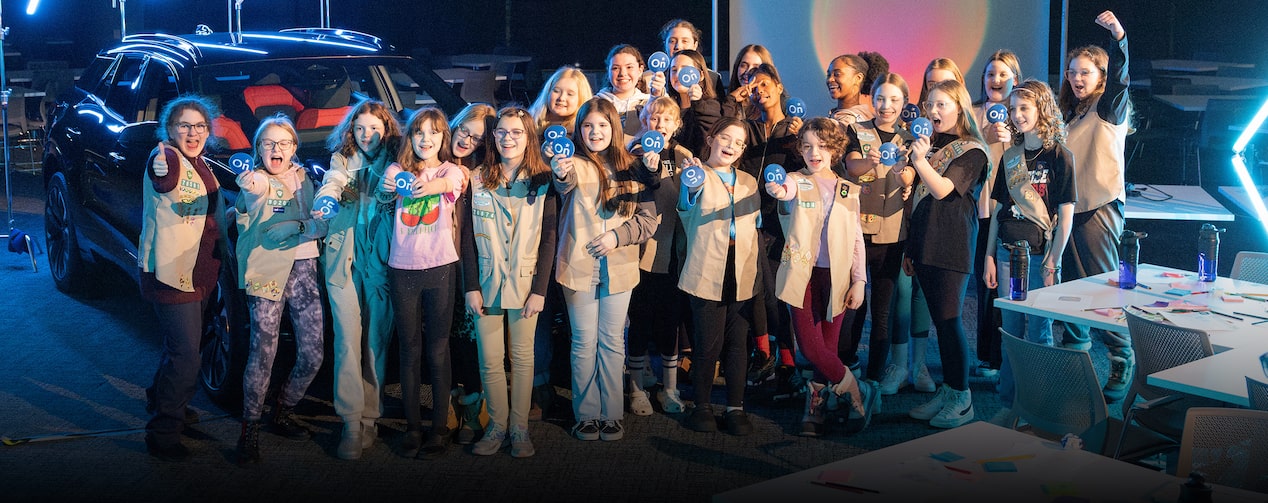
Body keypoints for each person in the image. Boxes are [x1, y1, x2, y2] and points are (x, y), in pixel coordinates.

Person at [551, 98, 657, 441]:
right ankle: (586, 414)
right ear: (578, 130)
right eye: (587, 126)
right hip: (579, 266)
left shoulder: (635, 167)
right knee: (583, 342)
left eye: (602, 125)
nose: (595, 132)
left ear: (614, 127)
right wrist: (559, 169)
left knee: (612, 342)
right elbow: (563, 181)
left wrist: (617, 236)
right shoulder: (574, 164)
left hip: (621, 267)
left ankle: (611, 414)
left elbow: (648, 221)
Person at [765, 117, 877, 436]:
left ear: (835, 150)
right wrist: (776, 188)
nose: (815, 152)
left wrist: (859, 280)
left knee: (826, 351)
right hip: (802, 275)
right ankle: (857, 390)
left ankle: (815, 409)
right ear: (800, 150)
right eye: (807, 146)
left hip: (838, 278)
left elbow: (856, 238)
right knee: (811, 349)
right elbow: (784, 192)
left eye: (823, 146)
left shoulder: (846, 188)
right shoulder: (795, 179)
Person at [462, 105, 558, 458]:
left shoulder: (544, 179)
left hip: (526, 284)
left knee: (522, 358)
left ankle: (519, 427)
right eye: (501, 131)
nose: (508, 138)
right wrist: (470, 285)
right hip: (485, 283)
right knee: (489, 359)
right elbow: (467, 239)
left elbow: (550, 238)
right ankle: (496, 425)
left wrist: (540, 291)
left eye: (516, 132)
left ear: (529, 137)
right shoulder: (477, 177)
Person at [233, 116, 327, 464]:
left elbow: (323, 222)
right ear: (258, 149)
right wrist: (249, 185)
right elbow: (253, 190)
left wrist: (299, 225)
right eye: (268, 143)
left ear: (294, 148)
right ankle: (250, 426)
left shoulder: (306, 179)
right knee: (263, 352)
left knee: (314, 353)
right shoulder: (254, 179)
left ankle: (284, 407)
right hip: (267, 272)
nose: (276, 149)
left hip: (304, 268)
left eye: (284, 143)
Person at [982, 79, 1076, 425]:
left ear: (1042, 110)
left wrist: (1053, 261)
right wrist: (989, 256)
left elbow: (1065, 216)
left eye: (1024, 108)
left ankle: (1039, 405)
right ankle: (1009, 403)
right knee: (1010, 330)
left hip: (1041, 258)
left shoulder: (1060, 156)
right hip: (1007, 255)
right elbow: (997, 212)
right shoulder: (1010, 157)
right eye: (1013, 109)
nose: (1017, 115)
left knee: (1038, 332)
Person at [140, 95, 228, 461]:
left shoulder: (200, 161)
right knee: (187, 356)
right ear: (169, 130)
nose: (192, 132)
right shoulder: (169, 159)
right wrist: (161, 166)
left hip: (200, 273)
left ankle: (162, 399)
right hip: (173, 274)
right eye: (184, 126)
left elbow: (204, 211)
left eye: (199, 126)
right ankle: (163, 433)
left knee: (178, 348)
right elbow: (164, 179)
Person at [312, 99, 402, 460]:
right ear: (351, 130)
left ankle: (370, 417)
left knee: (375, 342)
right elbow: (332, 184)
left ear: (387, 130)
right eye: (360, 128)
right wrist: (326, 199)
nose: (367, 135)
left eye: (374, 128)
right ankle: (351, 422)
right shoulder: (341, 160)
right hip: (343, 262)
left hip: (381, 263)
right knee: (348, 340)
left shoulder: (397, 162)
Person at [377, 107, 466, 458]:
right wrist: (387, 186)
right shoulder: (397, 170)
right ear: (409, 139)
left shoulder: (450, 170)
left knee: (437, 349)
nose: (426, 139)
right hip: (402, 269)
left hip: (440, 267)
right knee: (409, 349)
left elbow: (452, 183)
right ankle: (414, 427)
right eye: (419, 133)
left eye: (433, 132)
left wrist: (430, 184)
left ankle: (439, 428)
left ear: (444, 138)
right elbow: (386, 190)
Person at [1057, 10, 1135, 401]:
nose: (1077, 77)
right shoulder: (1072, 112)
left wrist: (1118, 36)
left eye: (1085, 71)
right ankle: (1075, 359)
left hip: (1100, 207)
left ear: (1101, 76)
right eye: (1072, 71)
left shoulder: (1109, 106)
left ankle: (1122, 356)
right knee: (1073, 288)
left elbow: (1122, 75)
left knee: (1104, 288)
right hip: (1070, 209)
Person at [904, 79, 989, 429]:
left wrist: (920, 161)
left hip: (951, 243)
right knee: (940, 321)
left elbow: (942, 190)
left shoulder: (973, 151)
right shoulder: (933, 146)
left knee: (951, 320)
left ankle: (963, 396)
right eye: (930, 105)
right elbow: (917, 197)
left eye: (942, 104)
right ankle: (949, 388)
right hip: (924, 241)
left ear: (959, 107)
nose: (934, 111)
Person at [678, 118, 761, 436]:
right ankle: (702, 406)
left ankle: (735, 408)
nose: (731, 145)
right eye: (725, 137)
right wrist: (692, 184)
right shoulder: (696, 174)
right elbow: (685, 208)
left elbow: (754, 226)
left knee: (738, 344)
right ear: (711, 139)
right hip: (706, 270)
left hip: (741, 272)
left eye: (738, 143)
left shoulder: (748, 181)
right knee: (706, 344)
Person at [725, 63, 802, 394]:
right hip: (746, 221)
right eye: (753, 85)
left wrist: (798, 142)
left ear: (779, 86)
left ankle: (788, 360)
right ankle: (765, 353)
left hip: (779, 224)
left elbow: (808, 171)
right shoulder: (749, 128)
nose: (759, 90)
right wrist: (736, 105)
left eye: (765, 83)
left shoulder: (794, 129)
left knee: (774, 297)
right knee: (751, 291)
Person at [840, 74, 917, 392]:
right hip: (855, 230)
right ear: (872, 99)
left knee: (882, 308)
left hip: (891, 232)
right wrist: (868, 162)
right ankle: (845, 367)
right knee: (851, 303)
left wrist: (904, 173)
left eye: (894, 100)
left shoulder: (909, 138)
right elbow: (850, 167)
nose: (887, 106)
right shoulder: (856, 131)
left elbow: (910, 178)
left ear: (903, 103)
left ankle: (873, 378)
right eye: (881, 98)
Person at [626, 96, 695, 415]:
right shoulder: (633, 154)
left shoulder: (684, 157)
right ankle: (636, 389)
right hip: (640, 254)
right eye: (653, 118)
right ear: (644, 122)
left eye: (667, 119)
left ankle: (670, 389)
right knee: (639, 324)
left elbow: (692, 203)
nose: (659, 124)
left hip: (674, 254)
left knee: (670, 324)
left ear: (676, 125)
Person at [446, 102, 497, 445]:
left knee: (468, 335)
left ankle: (473, 403)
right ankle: (448, 401)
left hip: (467, 258)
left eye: (477, 139)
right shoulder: (430, 156)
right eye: (464, 130)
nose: (466, 140)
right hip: (430, 259)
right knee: (440, 335)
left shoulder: (482, 172)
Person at [971, 50, 1023, 380]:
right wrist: (985, 138)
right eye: (991, 74)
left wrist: (1012, 139)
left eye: (1003, 74)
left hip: (1013, 212)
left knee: (1009, 285)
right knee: (985, 283)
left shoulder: (1021, 117)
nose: (996, 80)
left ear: (1015, 80)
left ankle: (1010, 356)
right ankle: (988, 357)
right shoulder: (974, 114)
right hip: (981, 209)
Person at [667, 49, 723, 155]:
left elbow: (708, 140)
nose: (678, 74)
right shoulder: (668, 107)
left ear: (701, 75)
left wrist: (698, 104)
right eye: (673, 70)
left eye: (685, 69)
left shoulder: (711, 107)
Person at [595, 44, 651, 137]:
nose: (622, 73)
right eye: (615, 68)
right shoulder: (596, 104)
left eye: (629, 67)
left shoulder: (649, 104)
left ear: (640, 70)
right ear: (608, 71)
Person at [658, 18, 725, 92]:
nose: (678, 46)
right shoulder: (651, 77)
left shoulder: (712, 78)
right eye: (672, 41)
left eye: (685, 41)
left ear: (695, 45)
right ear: (665, 45)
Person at [529, 66, 594, 137]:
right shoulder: (528, 123)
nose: (561, 98)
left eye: (570, 94)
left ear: (581, 98)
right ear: (547, 92)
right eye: (556, 91)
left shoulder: (582, 133)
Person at [825, 54, 871, 126]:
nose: (830, 79)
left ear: (858, 78)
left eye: (837, 74)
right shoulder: (837, 115)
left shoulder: (851, 122)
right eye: (828, 75)